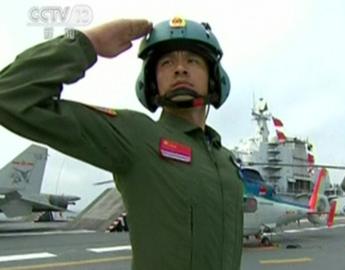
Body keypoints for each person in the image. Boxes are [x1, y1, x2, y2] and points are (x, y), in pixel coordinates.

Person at [0, 17, 244, 270]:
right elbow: (8, 96)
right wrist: (88, 43)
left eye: (192, 60)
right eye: (167, 62)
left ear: (214, 77)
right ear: (151, 81)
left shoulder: (227, 163)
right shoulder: (135, 135)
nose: (180, 69)